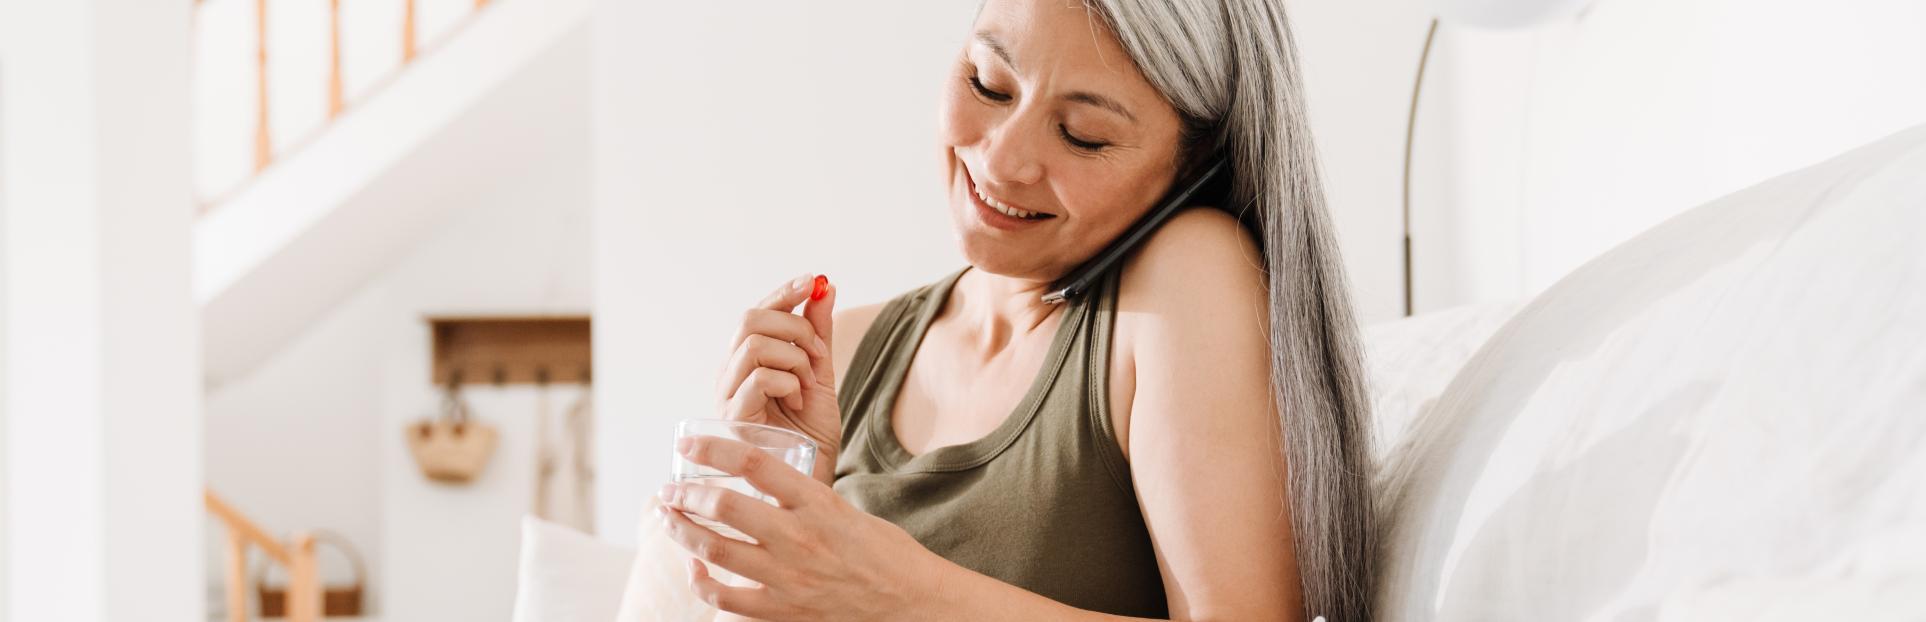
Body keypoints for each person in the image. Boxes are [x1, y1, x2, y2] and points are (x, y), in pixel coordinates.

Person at [655, 0, 1374, 619]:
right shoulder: (839, 350)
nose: (1004, 161)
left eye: (1084, 135)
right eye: (988, 83)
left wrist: (899, 592)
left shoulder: (1183, 280)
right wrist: (772, 521)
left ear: (1197, 164)